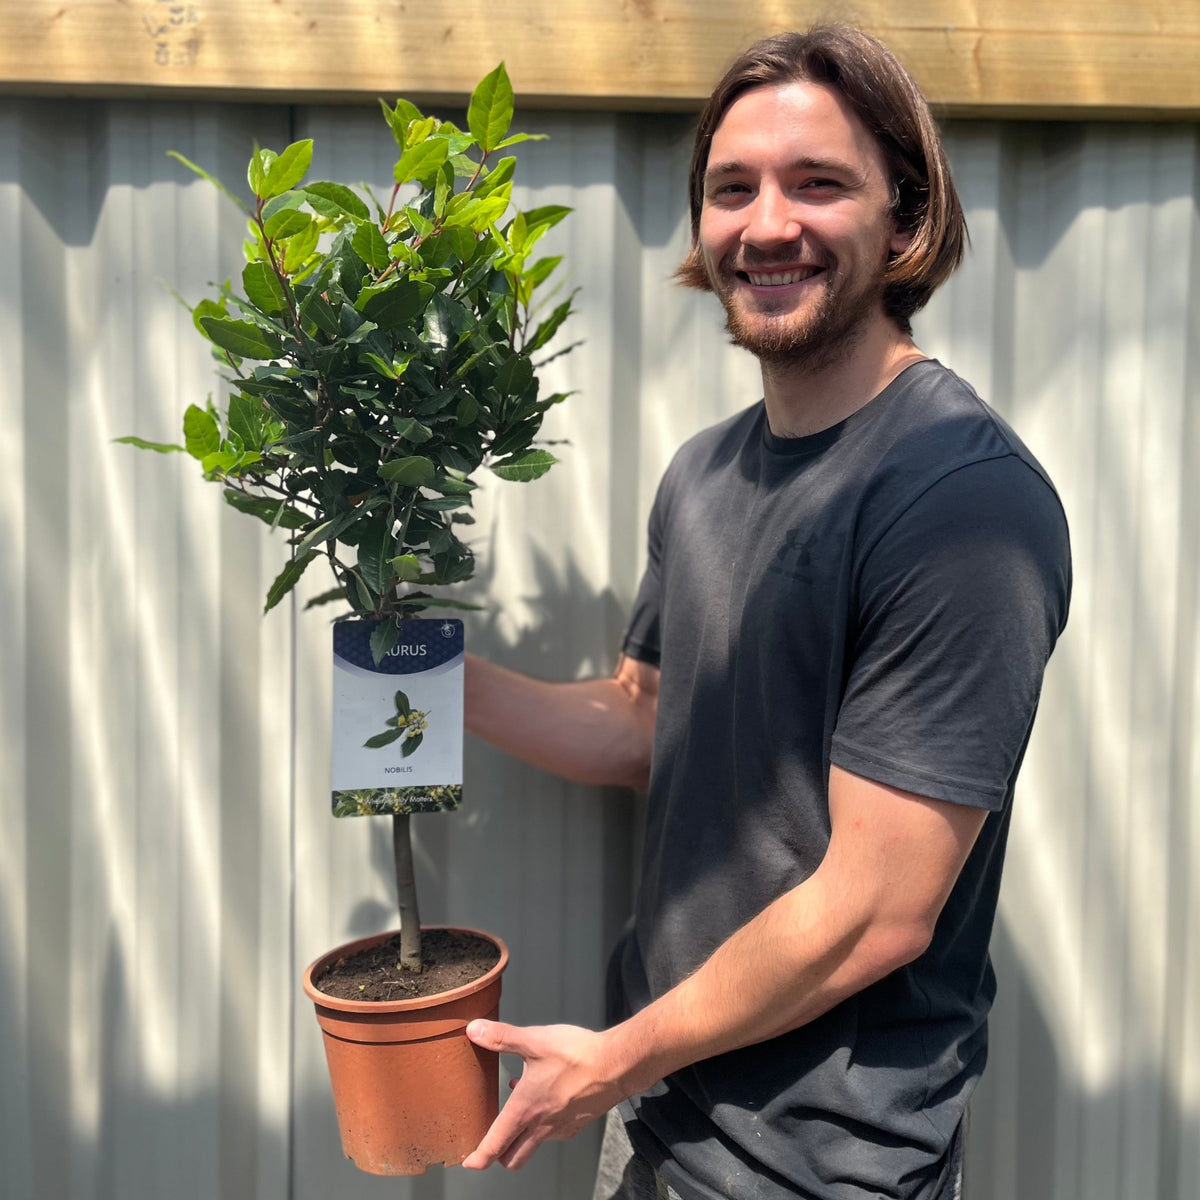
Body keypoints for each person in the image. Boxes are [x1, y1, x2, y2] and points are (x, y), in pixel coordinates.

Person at [460, 25, 1071, 1200]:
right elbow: (647, 721)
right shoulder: (704, 474)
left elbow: (877, 914)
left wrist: (608, 1060)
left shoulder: (962, 501)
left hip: (820, 1165)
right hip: (658, 1114)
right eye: (731, 188)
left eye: (819, 183)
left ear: (906, 216)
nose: (767, 223)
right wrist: (432, 683)